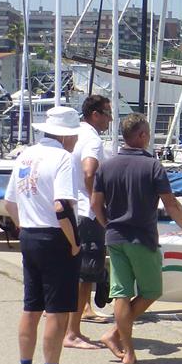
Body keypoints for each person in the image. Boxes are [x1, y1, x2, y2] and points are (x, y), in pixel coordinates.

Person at [90, 113, 182, 364]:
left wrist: (108, 225)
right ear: (142, 136)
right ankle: (115, 335)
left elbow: (95, 204)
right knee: (151, 291)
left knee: (121, 294)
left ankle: (127, 350)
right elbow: (171, 204)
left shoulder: (107, 166)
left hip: (115, 238)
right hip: (142, 239)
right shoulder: (152, 166)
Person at [4, 106, 85, 364]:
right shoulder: (63, 158)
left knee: (32, 306)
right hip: (55, 237)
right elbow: (61, 206)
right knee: (58, 310)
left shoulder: (25, 154)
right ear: (66, 135)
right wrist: (75, 242)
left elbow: (10, 202)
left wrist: (23, 226)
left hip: (29, 233)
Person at [63, 95, 112, 350]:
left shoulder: (73, 134)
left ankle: (69, 326)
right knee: (86, 275)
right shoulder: (92, 138)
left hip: (69, 211)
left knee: (72, 272)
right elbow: (89, 171)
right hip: (87, 213)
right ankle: (73, 333)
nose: (110, 119)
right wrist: (97, 201)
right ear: (94, 114)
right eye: (106, 113)